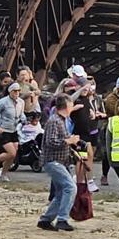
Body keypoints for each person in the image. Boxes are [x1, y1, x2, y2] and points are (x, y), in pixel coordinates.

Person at [37, 94, 82, 231]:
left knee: (61, 192)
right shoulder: (55, 121)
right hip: (52, 161)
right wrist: (68, 141)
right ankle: (62, 219)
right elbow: (51, 141)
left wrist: (73, 142)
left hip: (60, 161)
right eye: (71, 105)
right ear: (66, 106)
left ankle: (45, 220)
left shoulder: (61, 121)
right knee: (70, 187)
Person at [0, 82, 25, 181]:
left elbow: (21, 114)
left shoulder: (21, 102)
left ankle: (4, 173)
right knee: (11, 153)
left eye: (18, 91)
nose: (17, 93)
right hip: (3, 130)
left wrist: (24, 119)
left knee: (12, 156)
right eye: (14, 91)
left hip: (14, 130)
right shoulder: (3, 101)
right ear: (10, 91)